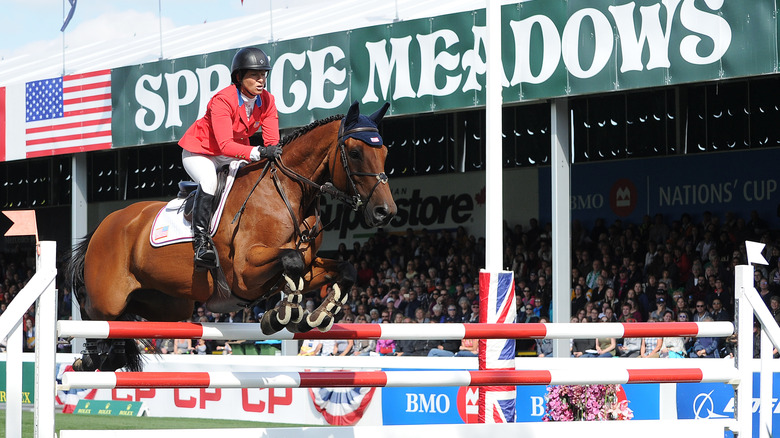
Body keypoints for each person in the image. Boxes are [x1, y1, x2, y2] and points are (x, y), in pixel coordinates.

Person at [179, 47, 281, 270]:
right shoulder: (222, 100)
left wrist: (272, 153)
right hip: (201, 152)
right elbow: (224, 144)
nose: (261, 80)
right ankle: (201, 243)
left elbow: (272, 141)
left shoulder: (268, 101)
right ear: (239, 77)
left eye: (264, 74)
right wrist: (258, 152)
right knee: (209, 182)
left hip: (232, 154)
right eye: (255, 75)